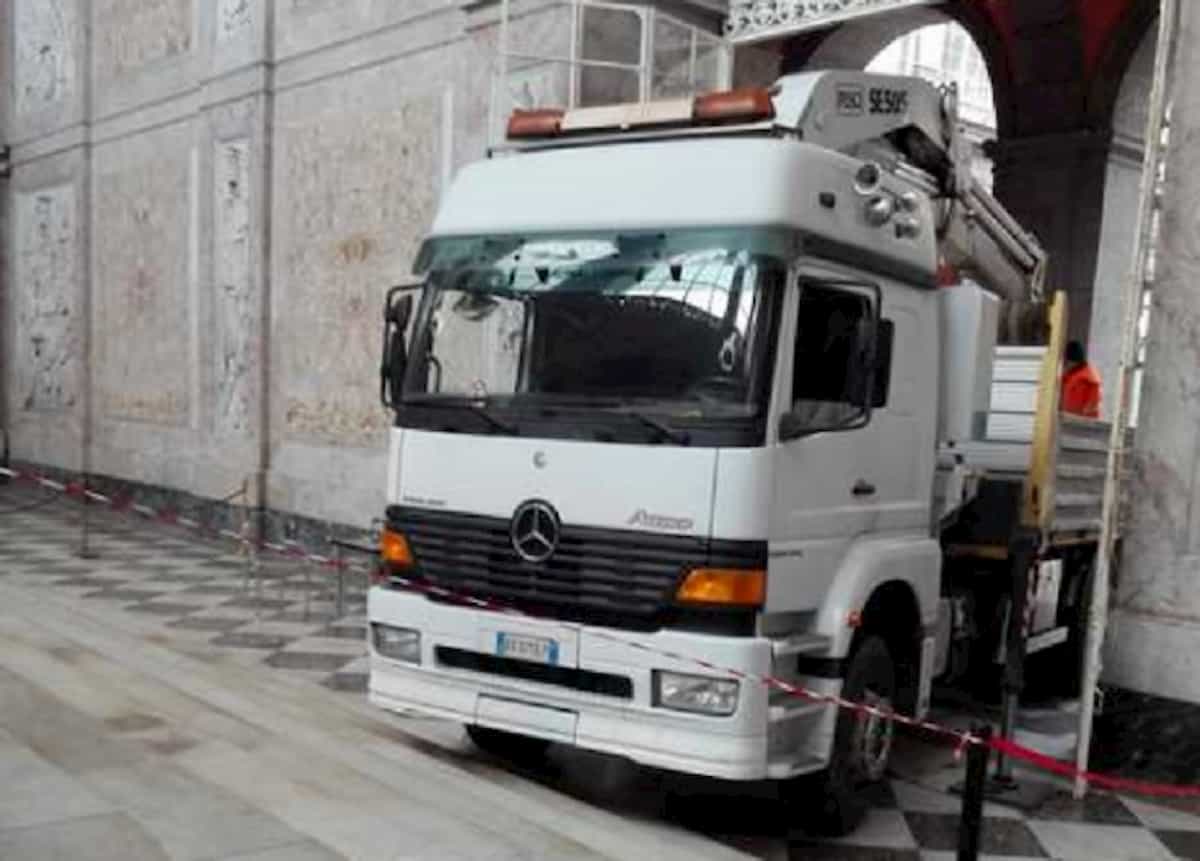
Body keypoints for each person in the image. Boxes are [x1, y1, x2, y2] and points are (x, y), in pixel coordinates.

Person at [1061, 340, 1102, 418]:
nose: (1065, 364)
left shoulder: (1087, 378)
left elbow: (1092, 406)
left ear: (1071, 361)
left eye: (1066, 362)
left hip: (1078, 422)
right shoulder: (1072, 375)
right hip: (1070, 419)